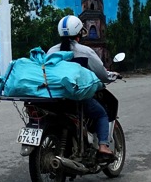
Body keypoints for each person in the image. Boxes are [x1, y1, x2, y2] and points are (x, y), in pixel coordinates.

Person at [47, 15, 118, 157]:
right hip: (76, 99)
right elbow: (101, 74)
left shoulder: (51, 52)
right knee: (101, 113)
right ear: (79, 33)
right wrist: (112, 76)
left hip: (54, 99)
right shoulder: (85, 52)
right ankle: (103, 145)